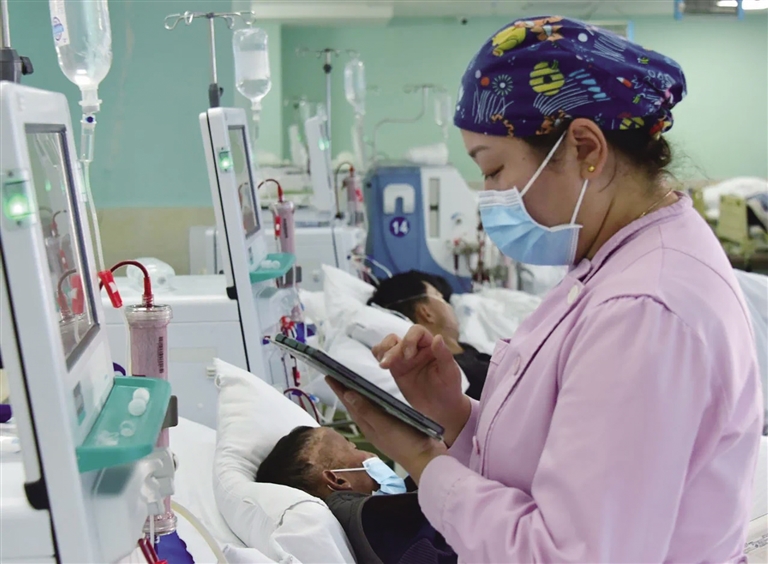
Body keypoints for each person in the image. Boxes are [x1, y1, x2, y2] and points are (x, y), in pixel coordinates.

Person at [326, 16, 764, 563]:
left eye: (493, 170)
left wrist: (422, 460)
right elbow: (555, 460)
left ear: (585, 148)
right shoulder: (611, 261)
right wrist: (455, 413)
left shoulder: (644, 310)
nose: (488, 197)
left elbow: (571, 555)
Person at [257, 426, 456, 564]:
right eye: (352, 448)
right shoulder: (377, 524)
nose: (372, 455)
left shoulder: (379, 520)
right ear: (338, 480)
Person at [368, 271, 490, 400]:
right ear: (426, 312)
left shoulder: (466, 351)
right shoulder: (456, 376)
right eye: (440, 298)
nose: (450, 306)